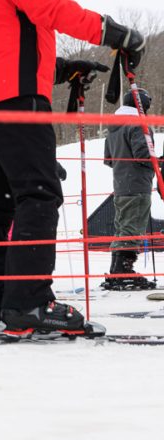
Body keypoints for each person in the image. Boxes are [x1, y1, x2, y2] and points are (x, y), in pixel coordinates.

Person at [0, 0, 143, 334]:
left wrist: (61, 68)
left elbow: (6, 40)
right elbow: (52, 8)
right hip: (19, 97)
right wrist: (115, 33)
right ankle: (29, 301)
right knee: (39, 196)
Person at [102, 89, 156, 291]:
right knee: (132, 226)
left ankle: (117, 269)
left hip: (121, 183)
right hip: (137, 184)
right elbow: (143, 154)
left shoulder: (113, 128)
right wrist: (157, 162)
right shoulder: (137, 124)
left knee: (123, 226)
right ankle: (123, 270)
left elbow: (108, 159)